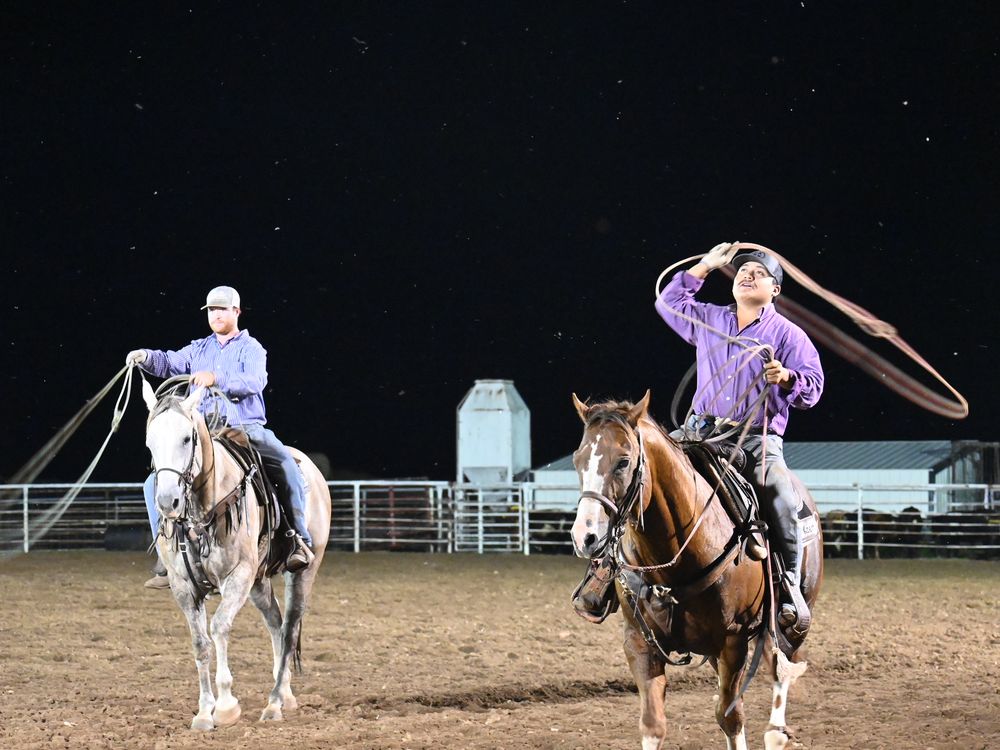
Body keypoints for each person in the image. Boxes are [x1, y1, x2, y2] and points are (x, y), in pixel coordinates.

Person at [654, 242, 824, 634]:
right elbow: (669, 303)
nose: (748, 276)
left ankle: (790, 587)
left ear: (775, 290)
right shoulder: (709, 318)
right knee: (650, 470)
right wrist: (705, 266)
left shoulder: (789, 335)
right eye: (743, 271)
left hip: (755, 440)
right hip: (698, 432)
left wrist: (788, 378)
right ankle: (615, 573)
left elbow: (813, 389)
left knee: (778, 490)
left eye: (759, 274)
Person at [127, 285, 315, 588]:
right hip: (206, 433)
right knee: (154, 482)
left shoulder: (251, 348)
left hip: (245, 429)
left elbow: (255, 381)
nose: (215, 315)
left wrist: (216, 378)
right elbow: (170, 362)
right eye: (211, 310)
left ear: (236, 312)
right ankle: (166, 553)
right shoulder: (198, 349)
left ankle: (298, 538)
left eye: (221, 309)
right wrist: (146, 357)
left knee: (285, 463)